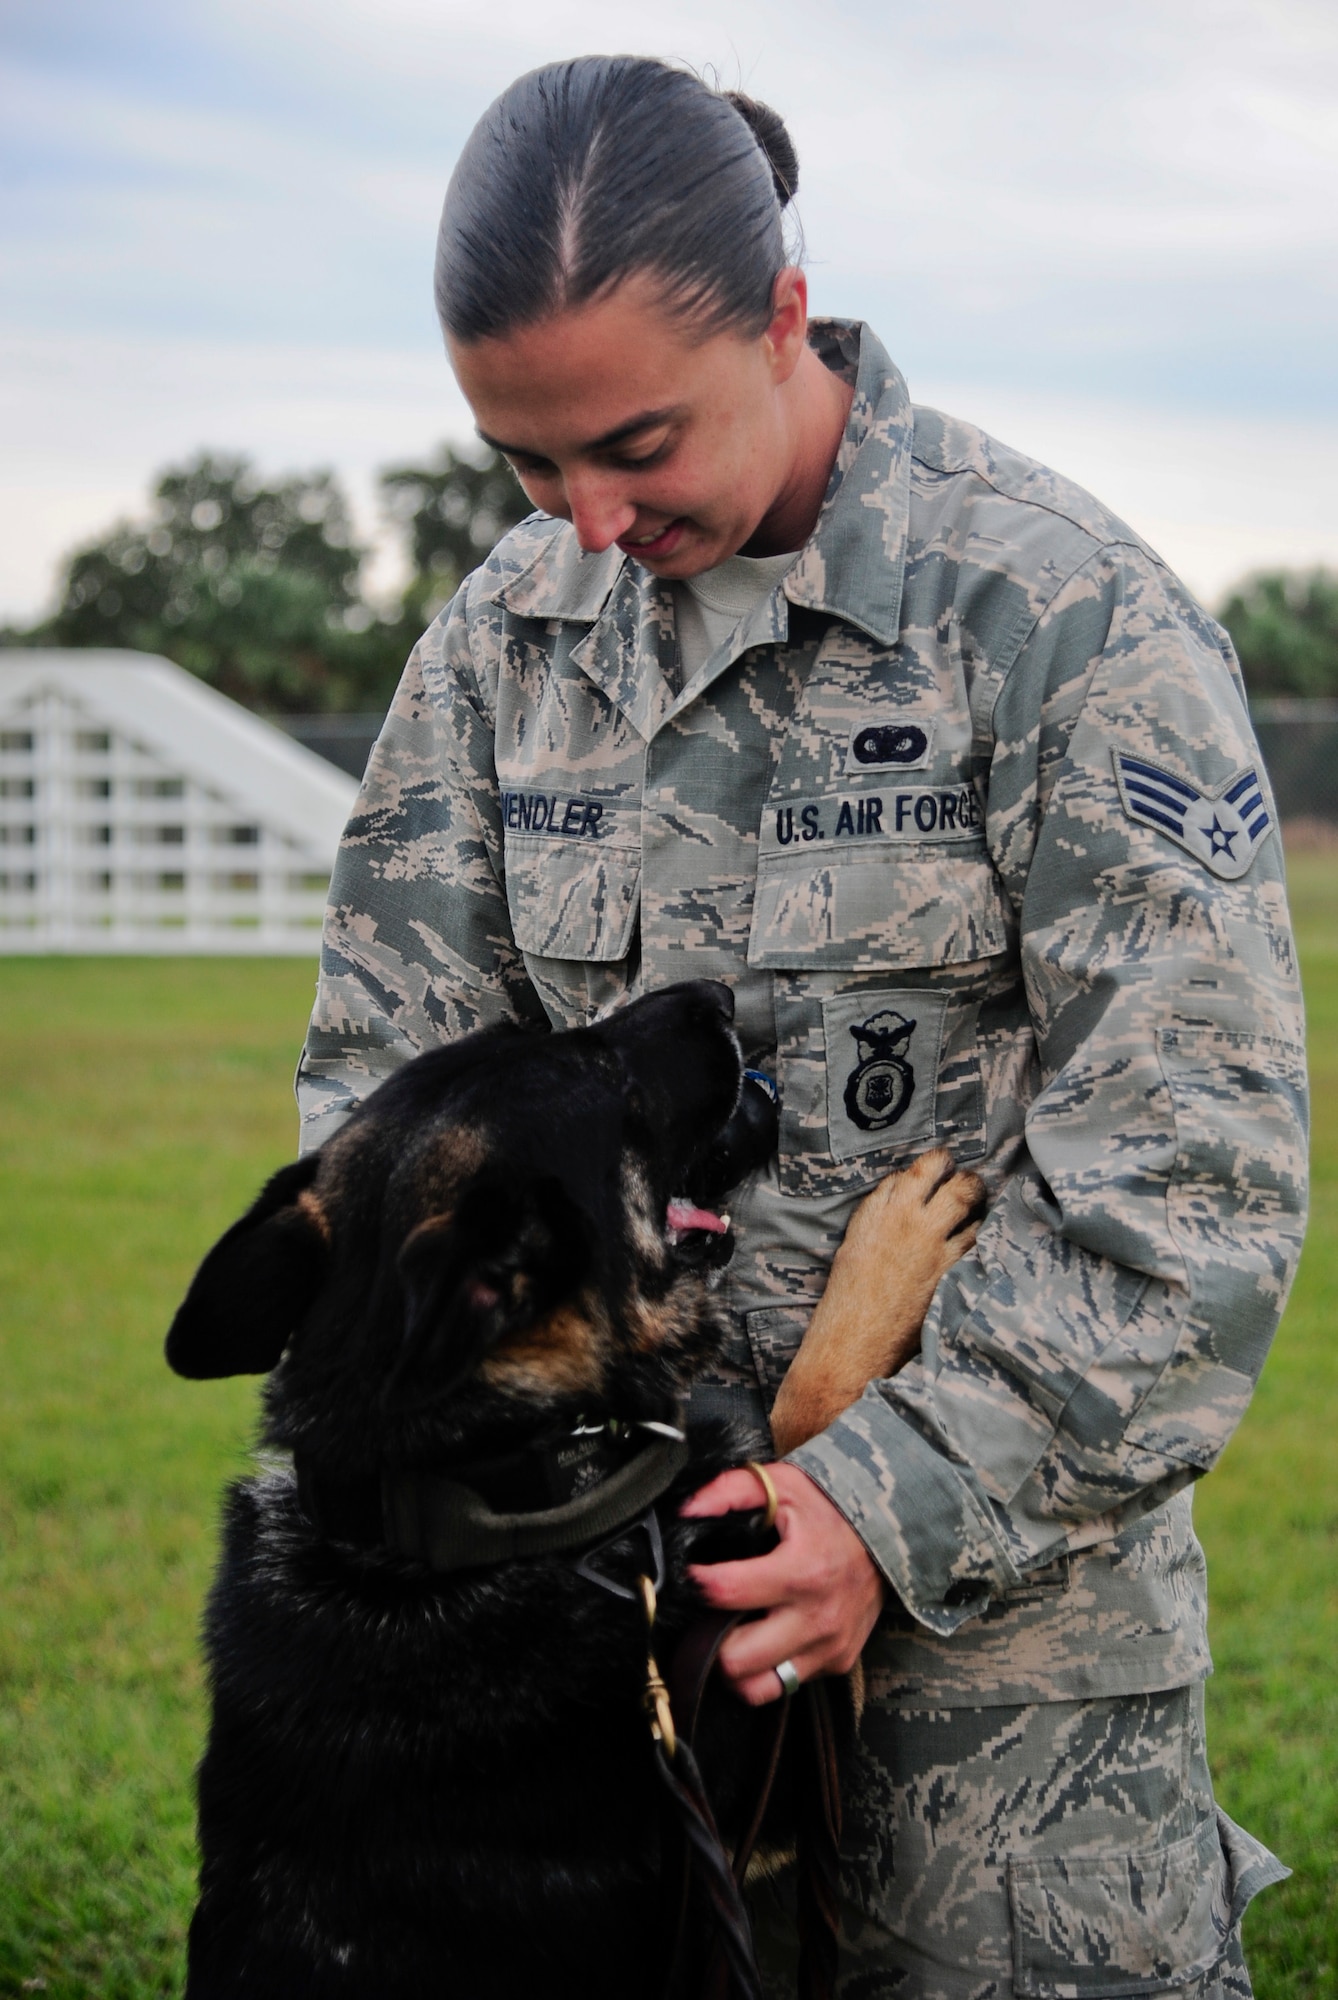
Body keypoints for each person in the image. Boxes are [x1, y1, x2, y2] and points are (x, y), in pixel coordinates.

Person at [296, 55, 1307, 1998]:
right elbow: (384, 1109)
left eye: (636, 444)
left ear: (782, 314)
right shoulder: (498, 649)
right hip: (598, 1626)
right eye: (525, 459)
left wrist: (875, 1500)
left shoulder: (1065, 618)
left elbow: (1195, 1190)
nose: (583, 523)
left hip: (1000, 1652)